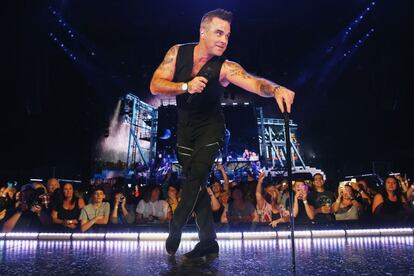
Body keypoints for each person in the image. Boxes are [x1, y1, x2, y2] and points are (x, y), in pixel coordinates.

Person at [150, 8, 295, 258]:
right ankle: (209, 241)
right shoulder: (177, 52)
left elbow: (254, 82)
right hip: (185, 129)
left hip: (212, 128)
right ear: (202, 32)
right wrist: (186, 86)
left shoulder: (227, 67)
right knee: (196, 184)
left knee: (196, 176)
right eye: (218, 33)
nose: (223, 40)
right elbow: (155, 86)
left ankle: (176, 226)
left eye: (227, 35)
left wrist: (276, 88)